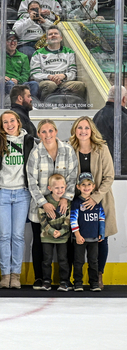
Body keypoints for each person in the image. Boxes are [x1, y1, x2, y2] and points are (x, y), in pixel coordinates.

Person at [26, 118, 79, 288]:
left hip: (63, 205)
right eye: (43, 131)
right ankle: (40, 278)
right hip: (41, 207)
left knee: (66, 242)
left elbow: (73, 176)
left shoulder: (67, 150)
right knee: (39, 242)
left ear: (56, 132)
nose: (47, 135)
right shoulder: (35, 153)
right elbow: (31, 182)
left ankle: (65, 279)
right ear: (38, 134)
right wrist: (43, 203)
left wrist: (65, 197)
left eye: (50, 131)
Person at [68, 116, 116, 290]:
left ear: (92, 130)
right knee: (75, 240)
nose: (83, 131)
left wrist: (95, 197)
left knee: (101, 239)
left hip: (100, 201)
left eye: (86, 128)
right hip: (77, 203)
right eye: (79, 128)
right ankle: (75, 278)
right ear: (75, 130)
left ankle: (98, 275)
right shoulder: (69, 148)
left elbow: (109, 176)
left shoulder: (102, 148)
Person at [0, 110, 35, 289]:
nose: (9, 125)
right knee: (3, 236)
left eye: (12, 121)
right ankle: (5, 275)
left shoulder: (29, 141)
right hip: (2, 193)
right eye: (5, 122)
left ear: (18, 122)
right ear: (2, 126)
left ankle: (16, 275)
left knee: (17, 236)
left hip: (22, 193)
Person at [70, 172, 105, 291]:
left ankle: (94, 283)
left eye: (89, 184)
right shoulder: (76, 202)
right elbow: (73, 219)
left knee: (93, 261)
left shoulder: (97, 202)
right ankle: (78, 283)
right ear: (78, 187)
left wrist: (101, 232)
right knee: (78, 261)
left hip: (93, 238)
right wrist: (77, 234)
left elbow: (101, 218)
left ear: (93, 186)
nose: (86, 187)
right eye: (83, 184)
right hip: (80, 238)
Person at [30, 27, 86, 102]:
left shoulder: (69, 52)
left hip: (64, 82)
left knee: (80, 85)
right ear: (46, 39)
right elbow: (34, 74)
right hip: (46, 81)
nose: (53, 35)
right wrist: (49, 77)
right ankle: (44, 105)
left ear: (61, 38)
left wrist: (63, 76)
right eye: (50, 34)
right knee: (51, 85)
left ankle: (71, 105)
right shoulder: (38, 53)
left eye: (56, 33)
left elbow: (73, 72)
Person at [37, 173, 71, 290]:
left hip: (63, 237)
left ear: (66, 187)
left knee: (63, 260)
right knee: (46, 260)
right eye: (56, 188)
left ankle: (64, 281)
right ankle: (46, 281)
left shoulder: (67, 203)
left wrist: (61, 232)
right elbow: (42, 220)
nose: (59, 190)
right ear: (50, 188)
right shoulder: (45, 202)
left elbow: (69, 220)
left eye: (62, 187)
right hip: (47, 236)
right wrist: (52, 231)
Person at [93, 85, 127, 175]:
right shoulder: (122, 118)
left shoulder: (97, 115)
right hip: (120, 170)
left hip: (100, 166)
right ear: (124, 99)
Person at [0, 32, 36, 98]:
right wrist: (0, 78)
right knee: (10, 84)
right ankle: (11, 102)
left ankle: (30, 102)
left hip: (19, 84)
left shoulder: (23, 57)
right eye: (9, 40)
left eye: (15, 40)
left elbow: (26, 73)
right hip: (2, 84)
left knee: (34, 84)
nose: (13, 43)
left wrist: (18, 80)